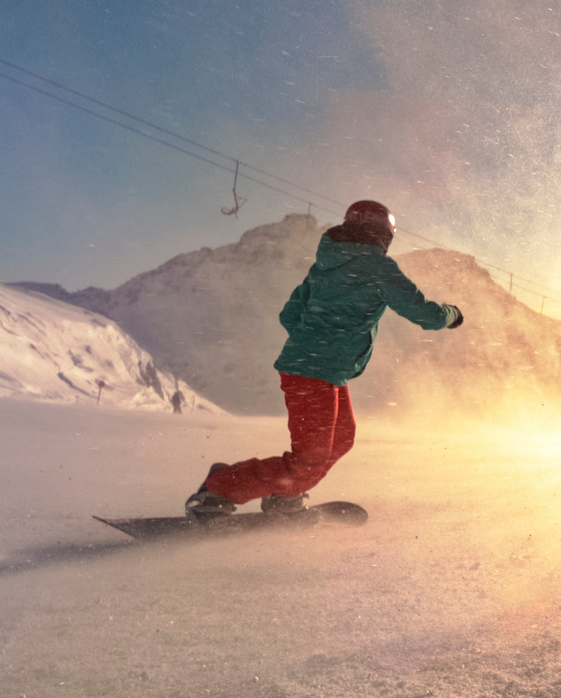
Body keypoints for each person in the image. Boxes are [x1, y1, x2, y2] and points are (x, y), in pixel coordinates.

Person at [185, 200, 463, 520]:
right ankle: (218, 489)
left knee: (342, 440)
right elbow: (424, 314)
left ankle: (283, 494)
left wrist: (313, 342)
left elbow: (290, 314)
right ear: (384, 235)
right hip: (314, 372)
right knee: (310, 461)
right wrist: (452, 315)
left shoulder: (324, 266)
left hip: (321, 370)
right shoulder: (379, 268)